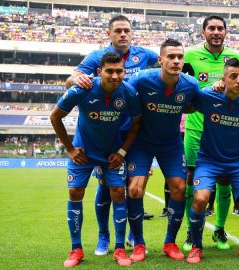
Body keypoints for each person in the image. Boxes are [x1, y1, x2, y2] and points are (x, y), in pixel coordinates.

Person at [64, 15, 158, 256]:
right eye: (118, 31)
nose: (123, 34)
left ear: (133, 32)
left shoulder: (144, 54)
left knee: (136, 185)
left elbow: (167, 63)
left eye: (127, 30)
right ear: (109, 34)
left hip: (135, 131)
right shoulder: (97, 57)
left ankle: (133, 234)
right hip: (108, 130)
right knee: (107, 185)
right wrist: (79, 78)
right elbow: (69, 81)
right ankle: (104, 235)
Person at [50, 52, 141, 267]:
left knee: (118, 193)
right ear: (99, 72)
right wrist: (70, 149)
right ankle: (76, 249)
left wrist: (122, 152)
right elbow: (55, 116)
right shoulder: (83, 88)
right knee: (75, 192)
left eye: (119, 71)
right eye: (110, 71)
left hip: (111, 153)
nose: (115, 76)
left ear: (124, 72)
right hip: (83, 153)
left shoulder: (128, 92)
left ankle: (119, 248)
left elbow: (136, 124)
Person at [125, 39, 200, 262]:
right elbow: (123, 101)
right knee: (136, 189)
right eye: (171, 56)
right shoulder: (140, 80)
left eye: (180, 57)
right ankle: (138, 244)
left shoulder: (191, 85)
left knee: (179, 188)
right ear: (160, 60)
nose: (176, 61)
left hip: (171, 144)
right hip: (141, 143)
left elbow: (195, 104)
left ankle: (170, 243)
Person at [186, 58, 239, 264]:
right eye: (233, 76)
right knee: (200, 199)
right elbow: (188, 102)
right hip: (208, 160)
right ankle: (196, 246)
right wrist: (211, 85)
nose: (238, 80)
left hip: (238, 161)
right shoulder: (208, 96)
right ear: (224, 79)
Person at [182, 15, 239, 252]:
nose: (216, 32)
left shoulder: (236, 57)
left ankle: (219, 228)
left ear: (226, 32)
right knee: (190, 180)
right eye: (211, 28)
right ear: (203, 31)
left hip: (225, 130)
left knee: (225, 179)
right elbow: (183, 88)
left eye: (220, 28)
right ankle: (190, 230)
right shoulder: (190, 56)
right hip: (196, 128)